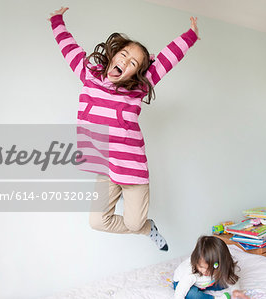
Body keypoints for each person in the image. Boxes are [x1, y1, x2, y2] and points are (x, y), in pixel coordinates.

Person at [48, 6, 199, 251]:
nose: (125, 62)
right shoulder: (89, 74)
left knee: (134, 221)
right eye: (124, 55)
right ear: (114, 54)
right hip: (105, 164)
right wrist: (57, 20)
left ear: (137, 72)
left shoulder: (137, 89)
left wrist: (190, 36)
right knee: (97, 221)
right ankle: (147, 229)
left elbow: (166, 60)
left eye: (133, 63)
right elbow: (69, 48)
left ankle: (146, 227)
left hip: (132, 168)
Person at [173, 236, 250, 299]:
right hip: (182, 282)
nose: (205, 272)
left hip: (207, 284)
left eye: (210, 270)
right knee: (192, 295)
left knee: (227, 280)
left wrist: (235, 290)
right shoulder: (190, 272)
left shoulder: (221, 266)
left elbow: (231, 278)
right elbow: (180, 292)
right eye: (201, 267)